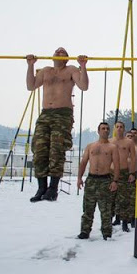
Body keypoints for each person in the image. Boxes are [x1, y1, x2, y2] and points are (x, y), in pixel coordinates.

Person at [26, 47, 88, 202]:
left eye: (63, 53)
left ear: (66, 59)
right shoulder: (46, 71)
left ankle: (53, 188)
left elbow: (84, 86)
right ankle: (42, 187)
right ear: (52, 57)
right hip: (46, 113)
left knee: (56, 149)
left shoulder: (71, 70)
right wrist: (30, 65)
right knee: (39, 150)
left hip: (63, 114)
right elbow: (31, 86)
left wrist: (83, 67)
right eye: (57, 52)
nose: (59, 53)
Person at [76, 122, 120, 240]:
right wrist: (79, 178)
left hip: (105, 180)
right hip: (91, 180)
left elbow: (116, 165)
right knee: (87, 208)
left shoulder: (112, 147)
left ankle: (106, 233)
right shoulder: (90, 146)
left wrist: (115, 181)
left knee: (106, 210)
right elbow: (84, 162)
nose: (105, 130)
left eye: (107, 128)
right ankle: (85, 231)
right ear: (98, 131)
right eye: (103, 128)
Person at [111, 121, 136, 232]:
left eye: (121, 127)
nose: (119, 129)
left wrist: (131, 173)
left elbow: (133, 159)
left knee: (124, 198)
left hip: (124, 171)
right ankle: (112, 220)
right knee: (110, 198)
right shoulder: (110, 141)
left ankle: (125, 222)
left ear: (124, 129)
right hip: (111, 172)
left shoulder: (129, 142)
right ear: (114, 128)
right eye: (117, 127)